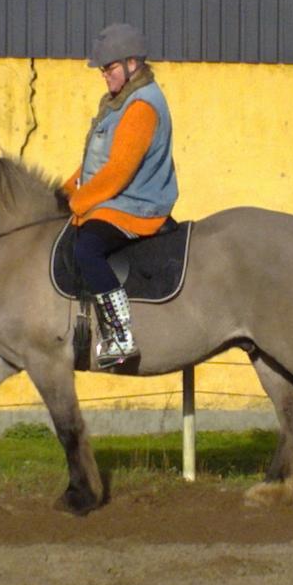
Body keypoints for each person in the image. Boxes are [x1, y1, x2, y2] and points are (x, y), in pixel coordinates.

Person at [62, 23, 180, 369]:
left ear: (132, 64)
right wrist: (64, 192)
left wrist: (80, 204)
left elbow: (118, 171)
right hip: (116, 200)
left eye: (109, 68)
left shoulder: (141, 106)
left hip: (137, 205)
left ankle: (120, 334)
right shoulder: (118, 102)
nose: (104, 75)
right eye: (102, 69)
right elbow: (94, 165)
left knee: (88, 248)